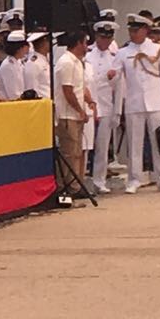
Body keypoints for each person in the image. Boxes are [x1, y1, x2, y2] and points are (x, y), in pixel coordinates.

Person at [118, 13, 160, 194]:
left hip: (156, 101)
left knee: (158, 141)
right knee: (134, 143)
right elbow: (116, 75)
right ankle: (134, 179)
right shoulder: (123, 52)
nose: (133, 34)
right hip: (134, 102)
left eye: (136, 30)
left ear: (145, 30)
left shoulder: (158, 50)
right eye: (131, 30)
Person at [86, 20, 122, 193]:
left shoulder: (115, 58)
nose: (105, 41)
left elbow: (119, 87)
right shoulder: (87, 55)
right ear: (96, 36)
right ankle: (83, 179)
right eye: (102, 37)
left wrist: (118, 111)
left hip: (106, 105)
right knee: (86, 145)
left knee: (102, 146)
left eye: (109, 38)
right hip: (88, 105)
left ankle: (99, 180)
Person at [53, 30, 90, 196]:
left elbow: (80, 89)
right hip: (67, 115)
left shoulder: (77, 62)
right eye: (85, 43)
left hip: (75, 115)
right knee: (69, 153)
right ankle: (66, 188)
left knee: (75, 153)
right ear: (78, 43)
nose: (87, 47)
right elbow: (68, 91)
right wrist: (80, 110)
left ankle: (74, 186)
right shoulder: (67, 62)